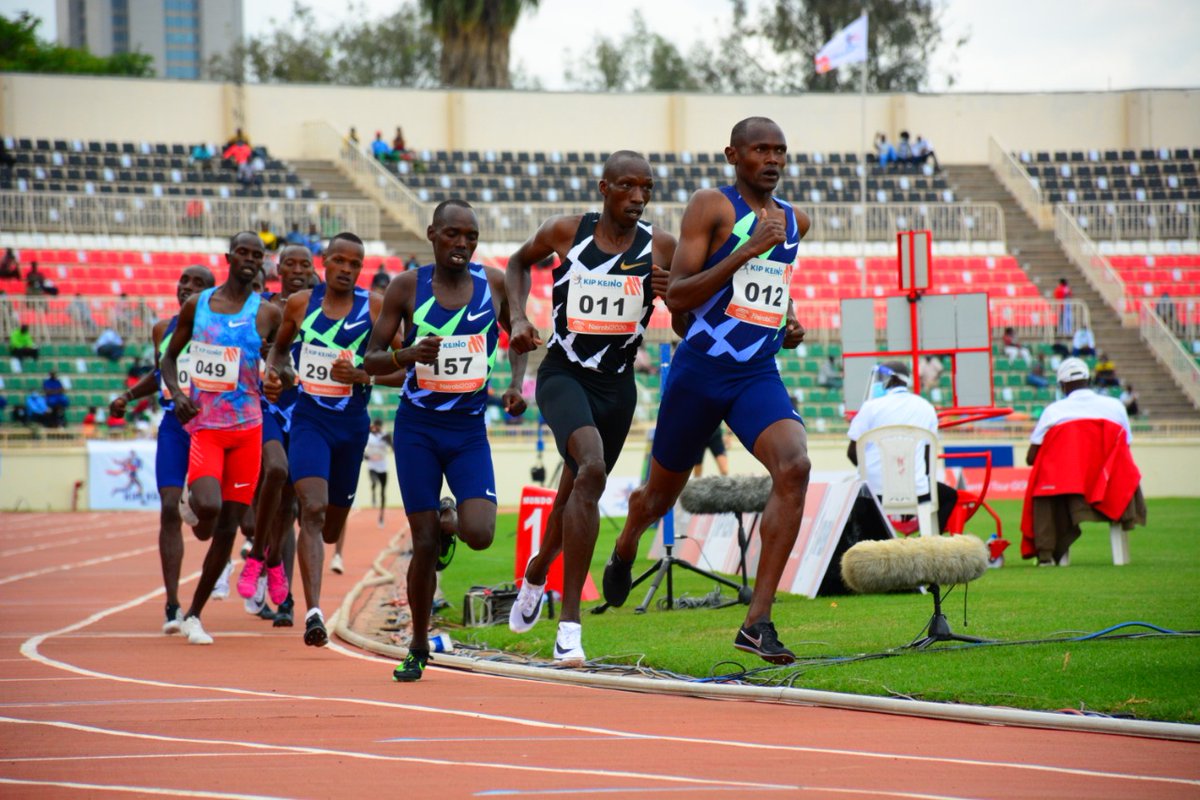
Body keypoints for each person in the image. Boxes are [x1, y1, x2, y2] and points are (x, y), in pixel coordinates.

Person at [601, 118, 811, 666]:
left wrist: (787, 320)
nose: (772, 159)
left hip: (755, 373)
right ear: (733, 156)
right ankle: (625, 545)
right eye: (760, 150)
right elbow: (682, 299)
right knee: (658, 498)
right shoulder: (710, 207)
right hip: (700, 372)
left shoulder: (795, 222)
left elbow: (770, 290)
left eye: (780, 151)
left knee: (795, 466)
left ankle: (757, 622)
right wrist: (744, 250)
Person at [502, 150, 676, 665]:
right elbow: (515, 264)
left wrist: (674, 298)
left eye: (646, 188)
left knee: (577, 487)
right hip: (563, 374)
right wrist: (517, 318)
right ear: (604, 188)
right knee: (593, 468)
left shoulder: (660, 246)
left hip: (617, 388)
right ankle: (570, 625)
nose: (638, 197)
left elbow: (689, 315)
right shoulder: (565, 232)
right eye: (627, 186)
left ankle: (537, 572)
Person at [364, 200, 528, 681]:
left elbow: (517, 335)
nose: (462, 244)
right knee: (422, 543)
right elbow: (371, 357)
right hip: (417, 428)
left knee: (480, 534)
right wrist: (408, 354)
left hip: (467, 430)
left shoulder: (494, 284)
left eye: (471, 237)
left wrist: (516, 384)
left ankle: (450, 519)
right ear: (433, 235)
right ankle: (417, 644)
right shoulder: (406, 287)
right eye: (453, 235)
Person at [264, 232, 406, 648]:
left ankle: (320, 551)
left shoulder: (375, 308)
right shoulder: (299, 304)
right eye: (339, 261)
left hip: (352, 426)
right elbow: (279, 351)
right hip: (309, 419)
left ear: (361, 268)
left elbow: (405, 366)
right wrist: (276, 374)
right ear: (325, 261)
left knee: (329, 528)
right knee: (310, 507)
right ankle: (313, 612)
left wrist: (366, 374)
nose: (346, 269)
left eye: (354, 263)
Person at [159, 232, 282, 645]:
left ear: (263, 264)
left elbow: (278, 359)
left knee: (230, 526)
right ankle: (193, 502)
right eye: (243, 253)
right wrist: (178, 394)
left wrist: (278, 376)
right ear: (230, 257)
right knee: (208, 508)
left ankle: (194, 613)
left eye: (257, 255)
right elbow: (169, 356)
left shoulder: (266, 313)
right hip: (207, 430)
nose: (249, 260)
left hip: (248, 431)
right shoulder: (200, 305)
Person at [241, 244, 317, 628]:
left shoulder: (317, 307)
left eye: (306, 264)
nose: (299, 269)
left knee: (290, 508)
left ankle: (283, 595)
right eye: (291, 263)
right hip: (269, 406)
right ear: (279, 268)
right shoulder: (267, 309)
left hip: (307, 410)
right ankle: (260, 559)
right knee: (273, 478)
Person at [1024, 358, 1139, 566]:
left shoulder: (1053, 411)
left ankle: (1046, 554)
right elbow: (1126, 448)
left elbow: (1031, 458)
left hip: (1068, 494)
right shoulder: (1116, 406)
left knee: (1044, 486)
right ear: (1089, 379)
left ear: (1062, 385)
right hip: (1110, 489)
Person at [846, 361, 958, 533]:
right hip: (916, 489)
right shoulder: (926, 408)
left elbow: (852, 453)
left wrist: (873, 475)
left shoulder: (870, 407)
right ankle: (927, 540)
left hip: (874, 491)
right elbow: (928, 458)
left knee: (856, 500)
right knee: (950, 496)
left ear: (889, 380)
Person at [364, 418, 392, 529]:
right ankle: (373, 493)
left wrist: (389, 441)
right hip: (372, 465)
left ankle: (381, 517)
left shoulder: (385, 436)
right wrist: (366, 457)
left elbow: (393, 448)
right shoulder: (369, 436)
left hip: (383, 467)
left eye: (379, 426)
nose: (377, 428)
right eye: (375, 426)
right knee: (373, 481)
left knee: (383, 492)